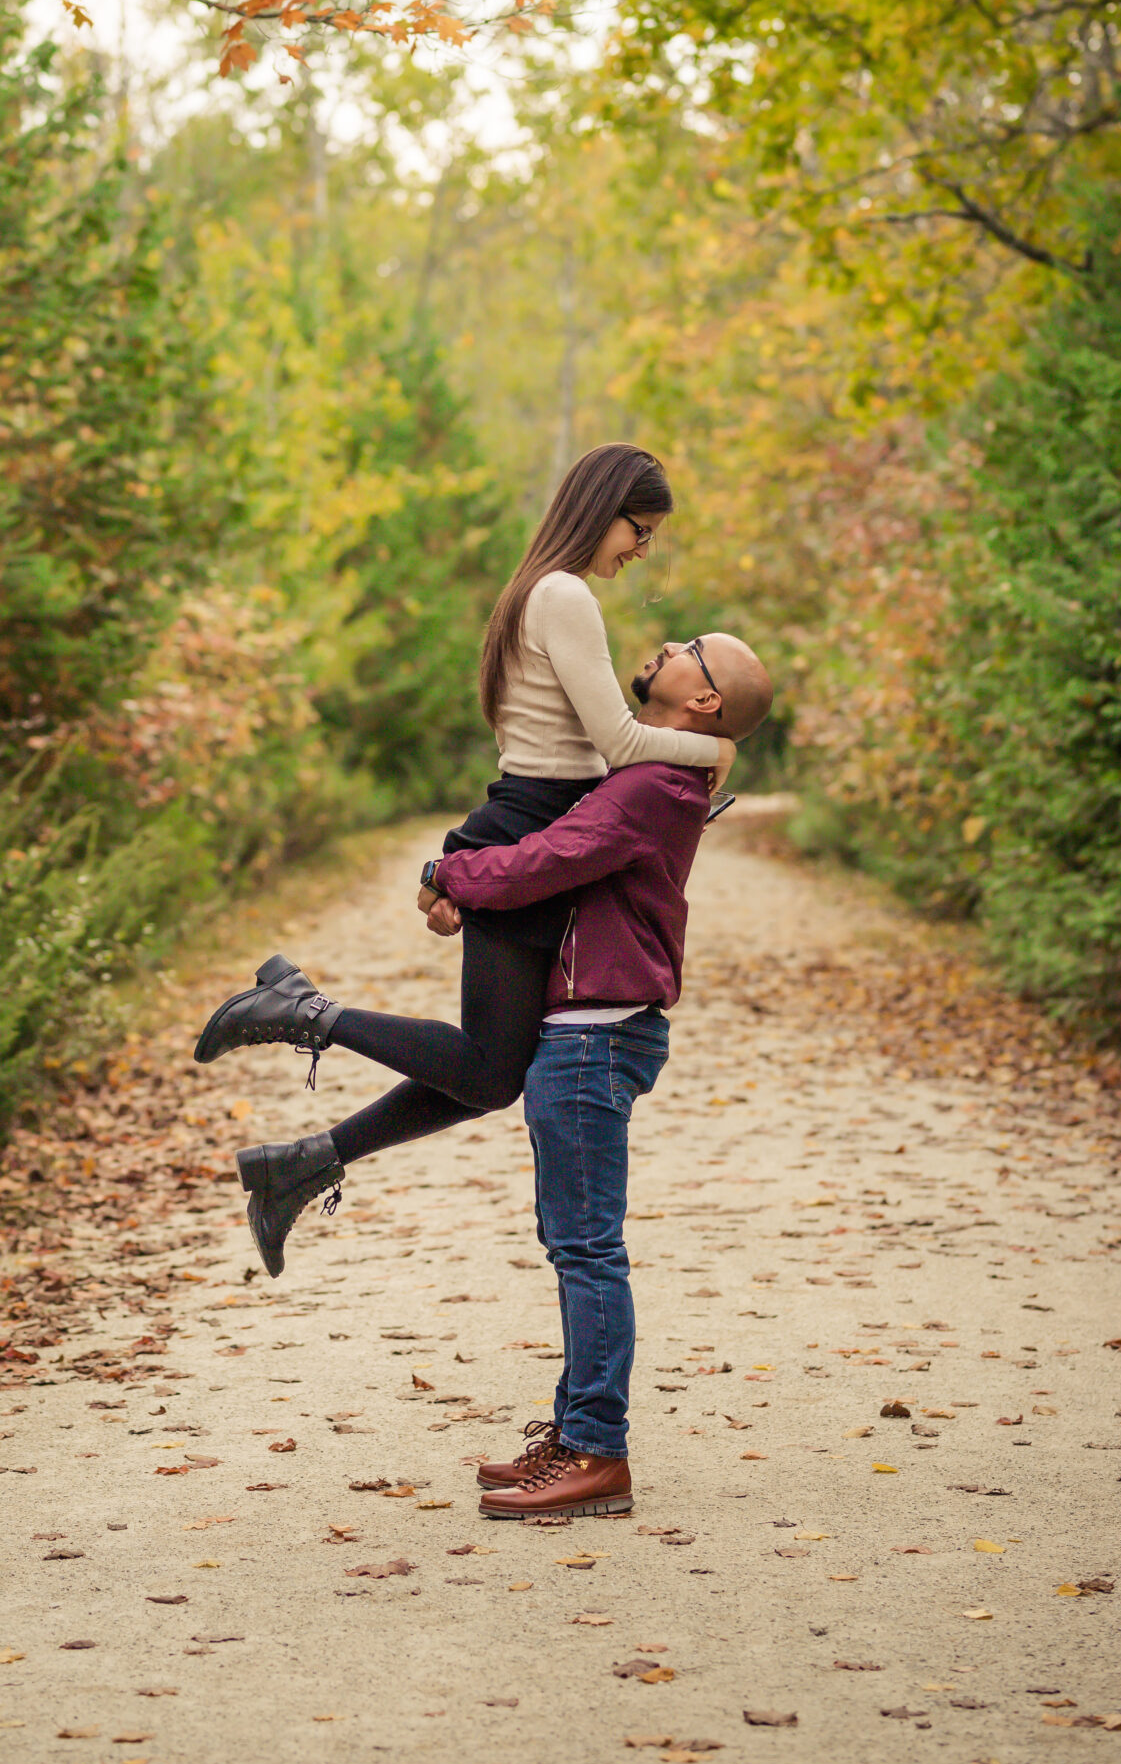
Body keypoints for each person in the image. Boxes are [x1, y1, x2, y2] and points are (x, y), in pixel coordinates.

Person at [192, 446, 734, 1273]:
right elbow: (619, 743)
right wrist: (713, 749)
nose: (642, 549)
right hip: (528, 829)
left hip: (528, 824)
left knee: (491, 1071)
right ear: (602, 508)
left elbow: (582, 757)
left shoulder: (540, 592)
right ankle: (302, 1014)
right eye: (640, 529)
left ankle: (299, 1164)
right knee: (487, 1071)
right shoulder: (563, 595)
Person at [436, 631, 775, 1521]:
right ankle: (574, 1435)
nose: (667, 643)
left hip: (594, 1035)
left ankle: (597, 1452)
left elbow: (545, 860)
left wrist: (446, 873)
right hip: (592, 1030)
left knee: (586, 1249)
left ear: (703, 701)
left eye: (691, 649)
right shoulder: (658, 769)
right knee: (573, 1243)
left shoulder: (652, 784)